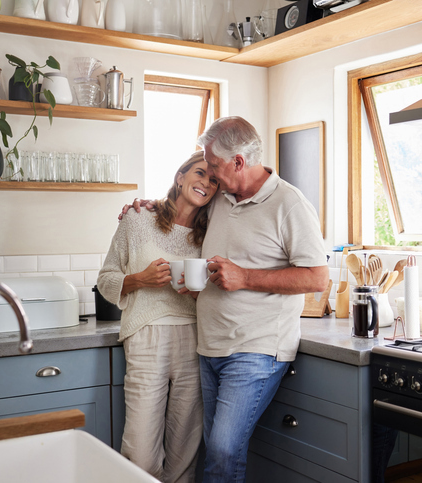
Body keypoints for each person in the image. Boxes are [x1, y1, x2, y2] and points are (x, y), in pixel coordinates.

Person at [126, 116, 329, 483]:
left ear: (238, 161)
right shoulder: (222, 197)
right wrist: (148, 206)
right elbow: (184, 203)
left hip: (256, 349)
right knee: (213, 449)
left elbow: (317, 278)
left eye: (215, 165)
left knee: (222, 450)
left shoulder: (290, 204)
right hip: (209, 347)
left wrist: (245, 277)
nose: (211, 175)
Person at [98, 151, 218, 483]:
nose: (205, 183)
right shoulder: (138, 219)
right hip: (146, 336)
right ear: (180, 177)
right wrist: (140, 279)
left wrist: (196, 292)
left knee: (184, 453)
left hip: (195, 340)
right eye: (199, 173)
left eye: (213, 180)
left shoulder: (212, 234)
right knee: (140, 454)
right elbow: (106, 278)